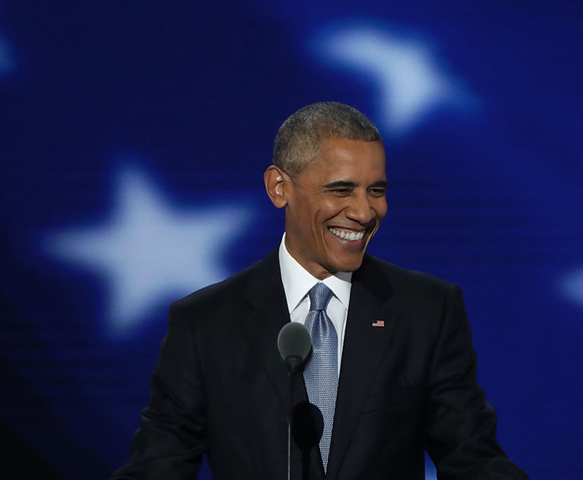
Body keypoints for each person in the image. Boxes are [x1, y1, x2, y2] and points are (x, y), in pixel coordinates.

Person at [112, 102, 528, 479]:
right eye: (341, 189)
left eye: (376, 191)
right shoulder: (205, 323)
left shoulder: (426, 311)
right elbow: (158, 466)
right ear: (279, 188)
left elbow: (473, 459)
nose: (364, 212)